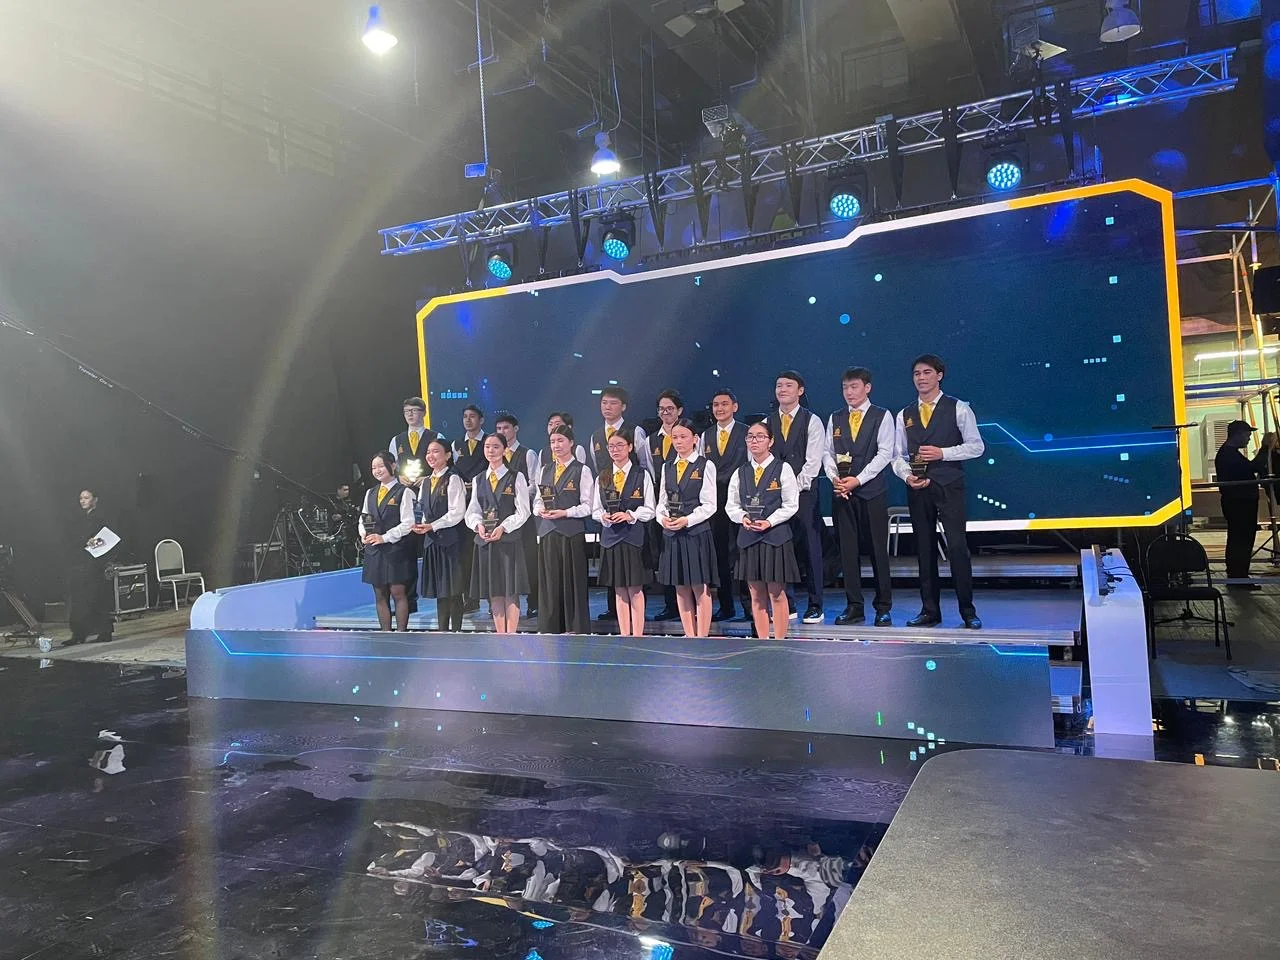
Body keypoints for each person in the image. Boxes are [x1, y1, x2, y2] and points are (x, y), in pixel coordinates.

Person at [891, 354, 985, 629]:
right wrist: (907, 476)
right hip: (918, 488)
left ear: (939, 375)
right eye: (917, 373)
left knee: (956, 547)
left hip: (949, 486)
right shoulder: (904, 414)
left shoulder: (958, 408)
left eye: (927, 372)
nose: (921, 378)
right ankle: (929, 610)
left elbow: (977, 446)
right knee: (924, 549)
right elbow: (897, 455)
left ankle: (968, 611)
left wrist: (943, 453)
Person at [823, 366, 895, 627]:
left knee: (877, 551)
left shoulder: (882, 416)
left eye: (854, 387)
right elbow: (827, 453)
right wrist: (835, 478)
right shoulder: (835, 417)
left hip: (871, 493)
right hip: (842, 494)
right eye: (845, 388)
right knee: (847, 552)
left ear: (867, 388)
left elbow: (885, 453)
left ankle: (883, 607)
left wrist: (858, 480)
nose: (849, 392)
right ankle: (854, 606)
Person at [727, 421, 799, 640]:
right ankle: (763, 642)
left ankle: (779, 642)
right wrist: (742, 517)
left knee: (776, 593)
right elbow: (731, 505)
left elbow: (791, 505)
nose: (754, 441)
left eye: (760, 436)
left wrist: (770, 521)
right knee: (756, 595)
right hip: (749, 538)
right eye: (750, 436)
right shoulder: (740, 472)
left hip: (775, 538)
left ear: (771, 441)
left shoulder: (782, 468)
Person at [766, 371, 827, 624]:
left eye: (788, 386)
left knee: (810, 548)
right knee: (781, 549)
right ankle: (786, 604)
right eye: (779, 385)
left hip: (804, 494)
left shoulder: (812, 421)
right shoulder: (768, 422)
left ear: (800, 391)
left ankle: (815, 605)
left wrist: (792, 488)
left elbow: (813, 463)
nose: (782, 389)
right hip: (775, 498)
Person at [589, 386, 653, 622]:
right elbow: (595, 505)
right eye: (604, 402)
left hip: (633, 527)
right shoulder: (596, 438)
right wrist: (603, 516)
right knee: (616, 584)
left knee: (634, 585)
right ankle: (619, 622)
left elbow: (646, 465)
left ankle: (637, 630)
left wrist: (631, 514)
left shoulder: (636, 433)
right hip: (610, 528)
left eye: (613, 403)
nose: (607, 407)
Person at [656, 419, 718, 637]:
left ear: (695, 439)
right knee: (680, 586)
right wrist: (662, 519)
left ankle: (702, 636)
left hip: (695, 533)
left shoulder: (705, 465)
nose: (679, 441)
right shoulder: (667, 467)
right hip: (673, 534)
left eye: (683, 437)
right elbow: (662, 502)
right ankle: (689, 635)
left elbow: (710, 505)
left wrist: (687, 520)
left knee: (699, 586)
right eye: (675, 437)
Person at [465, 433, 531, 633]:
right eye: (487, 447)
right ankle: (500, 635)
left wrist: (504, 527)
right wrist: (478, 525)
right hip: (487, 543)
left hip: (509, 541)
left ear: (504, 450)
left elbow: (523, 511)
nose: (491, 451)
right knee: (494, 592)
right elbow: (472, 511)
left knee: (510, 591)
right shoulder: (478, 479)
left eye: (495, 447)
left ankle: (511, 635)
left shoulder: (515, 477)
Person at [533, 425, 595, 633]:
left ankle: (574, 627)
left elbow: (588, 506)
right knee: (550, 584)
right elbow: (538, 500)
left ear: (571, 443)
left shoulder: (581, 470)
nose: (556, 445)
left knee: (573, 583)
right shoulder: (545, 469)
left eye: (560, 440)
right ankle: (551, 627)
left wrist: (566, 512)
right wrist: (540, 510)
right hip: (548, 533)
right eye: (553, 442)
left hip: (571, 534)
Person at [703, 389, 749, 622]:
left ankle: (750, 607)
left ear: (735, 407)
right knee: (720, 554)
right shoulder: (706, 435)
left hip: (742, 501)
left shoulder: (747, 432)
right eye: (715, 405)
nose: (719, 408)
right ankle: (726, 606)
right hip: (716, 503)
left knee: (744, 553)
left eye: (724, 404)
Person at [413, 439, 468, 629]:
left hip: (450, 542)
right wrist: (420, 524)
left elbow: (457, 512)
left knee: (453, 590)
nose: (431, 455)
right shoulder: (426, 482)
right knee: (440, 591)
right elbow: (421, 510)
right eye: (428, 452)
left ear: (448, 455)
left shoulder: (453, 479)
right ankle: (443, 630)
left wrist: (433, 525)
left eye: (436, 451)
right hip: (432, 542)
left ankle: (456, 631)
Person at [359, 452, 417, 632]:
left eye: (381, 466)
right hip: (374, 551)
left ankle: (401, 633)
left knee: (398, 593)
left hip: (395, 550)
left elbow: (408, 523)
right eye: (373, 468)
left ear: (392, 466)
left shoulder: (404, 492)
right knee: (380, 594)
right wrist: (363, 533)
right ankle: (385, 634)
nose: (377, 471)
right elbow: (363, 518)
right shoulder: (370, 493)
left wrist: (384, 537)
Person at [651, 390, 696, 622]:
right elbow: (651, 472)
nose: (665, 412)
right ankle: (671, 607)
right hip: (667, 511)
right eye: (661, 409)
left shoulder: (693, 442)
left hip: (692, 516)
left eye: (670, 408)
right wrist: (662, 516)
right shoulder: (651, 440)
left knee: (694, 571)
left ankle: (696, 612)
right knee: (670, 566)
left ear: (679, 410)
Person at [493, 412, 539, 617]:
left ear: (516, 429)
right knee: (502, 562)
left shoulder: (527, 454)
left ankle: (533, 602)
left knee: (528, 559)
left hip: (523, 516)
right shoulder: (494, 456)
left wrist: (514, 495)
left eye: (506, 428)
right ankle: (501, 604)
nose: (502, 431)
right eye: (499, 429)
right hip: (499, 517)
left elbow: (534, 484)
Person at [1214, 419, 1268, 588]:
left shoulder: (1229, 454)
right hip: (1239, 503)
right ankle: (1238, 576)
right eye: (1247, 435)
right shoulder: (1228, 456)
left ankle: (1238, 574)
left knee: (1239, 538)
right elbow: (1252, 468)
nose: (1249, 439)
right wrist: (1265, 447)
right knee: (1241, 539)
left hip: (1239, 502)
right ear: (1237, 434)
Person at [65, 488, 119, 646]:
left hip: (96, 563)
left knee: (97, 597)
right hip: (81, 562)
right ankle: (79, 633)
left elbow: (110, 538)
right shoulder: (79, 519)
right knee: (79, 599)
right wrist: (85, 540)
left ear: (95, 499)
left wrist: (94, 542)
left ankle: (104, 631)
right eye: (81, 498)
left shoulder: (102, 517)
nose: (83, 501)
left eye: (86, 498)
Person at [452, 404, 489, 614]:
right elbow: (453, 470)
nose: (468, 420)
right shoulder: (457, 444)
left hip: (485, 502)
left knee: (485, 553)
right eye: (465, 416)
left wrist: (475, 485)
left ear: (481, 420)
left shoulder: (489, 442)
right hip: (462, 503)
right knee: (465, 554)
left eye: (472, 416)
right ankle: (470, 598)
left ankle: (492, 599)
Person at [389, 396, 444, 465]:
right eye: (407, 411)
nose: (410, 414)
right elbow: (393, 465)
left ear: (424, 413)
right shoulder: (396, 440)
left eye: (414, 410)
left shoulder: (437, 437)